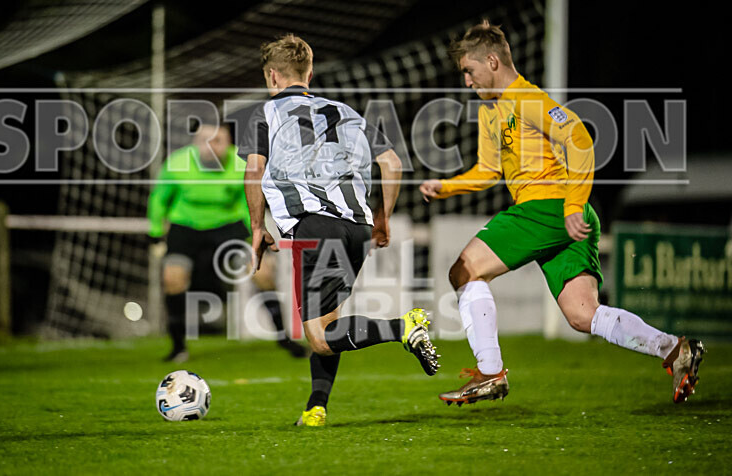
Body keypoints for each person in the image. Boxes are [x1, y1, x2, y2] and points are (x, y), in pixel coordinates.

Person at [419, 21, 704, 406]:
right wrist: (447, 186)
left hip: (548, 208)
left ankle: (490, 372)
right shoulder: (492, 112)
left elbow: (580, 138)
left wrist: (570, 205)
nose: (467, 81)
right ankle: (673, 349)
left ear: (492, 61)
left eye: (469, 71)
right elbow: (488, 171)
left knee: (463, 271)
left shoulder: (526, 98)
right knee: (582, 314)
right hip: (559, 215)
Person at [239, 34, 440, 427]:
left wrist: (257, 228)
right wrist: (381, 217)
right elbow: (393, 164)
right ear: (309, 73)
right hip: (357, 226)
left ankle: (404, 327)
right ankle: (316, 408)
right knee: (331, 325)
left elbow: (254, 171)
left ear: (271, 76)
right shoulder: (347, 112)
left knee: (318, 336)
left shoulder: (263, 115)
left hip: (314, 226)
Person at [147, 123, 308, 362]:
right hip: (186, 228)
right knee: (173, 279)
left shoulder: (241, 165)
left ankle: (284, 337)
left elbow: (249, 202)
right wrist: (155, 233)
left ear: (229, 143)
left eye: (218, 140)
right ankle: (178, 346)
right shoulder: (177, 163)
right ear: (195, 143)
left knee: (262, 274)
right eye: (205, 140)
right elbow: (159, 199)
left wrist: (257, 232)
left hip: (228, 226)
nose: (212, 145)